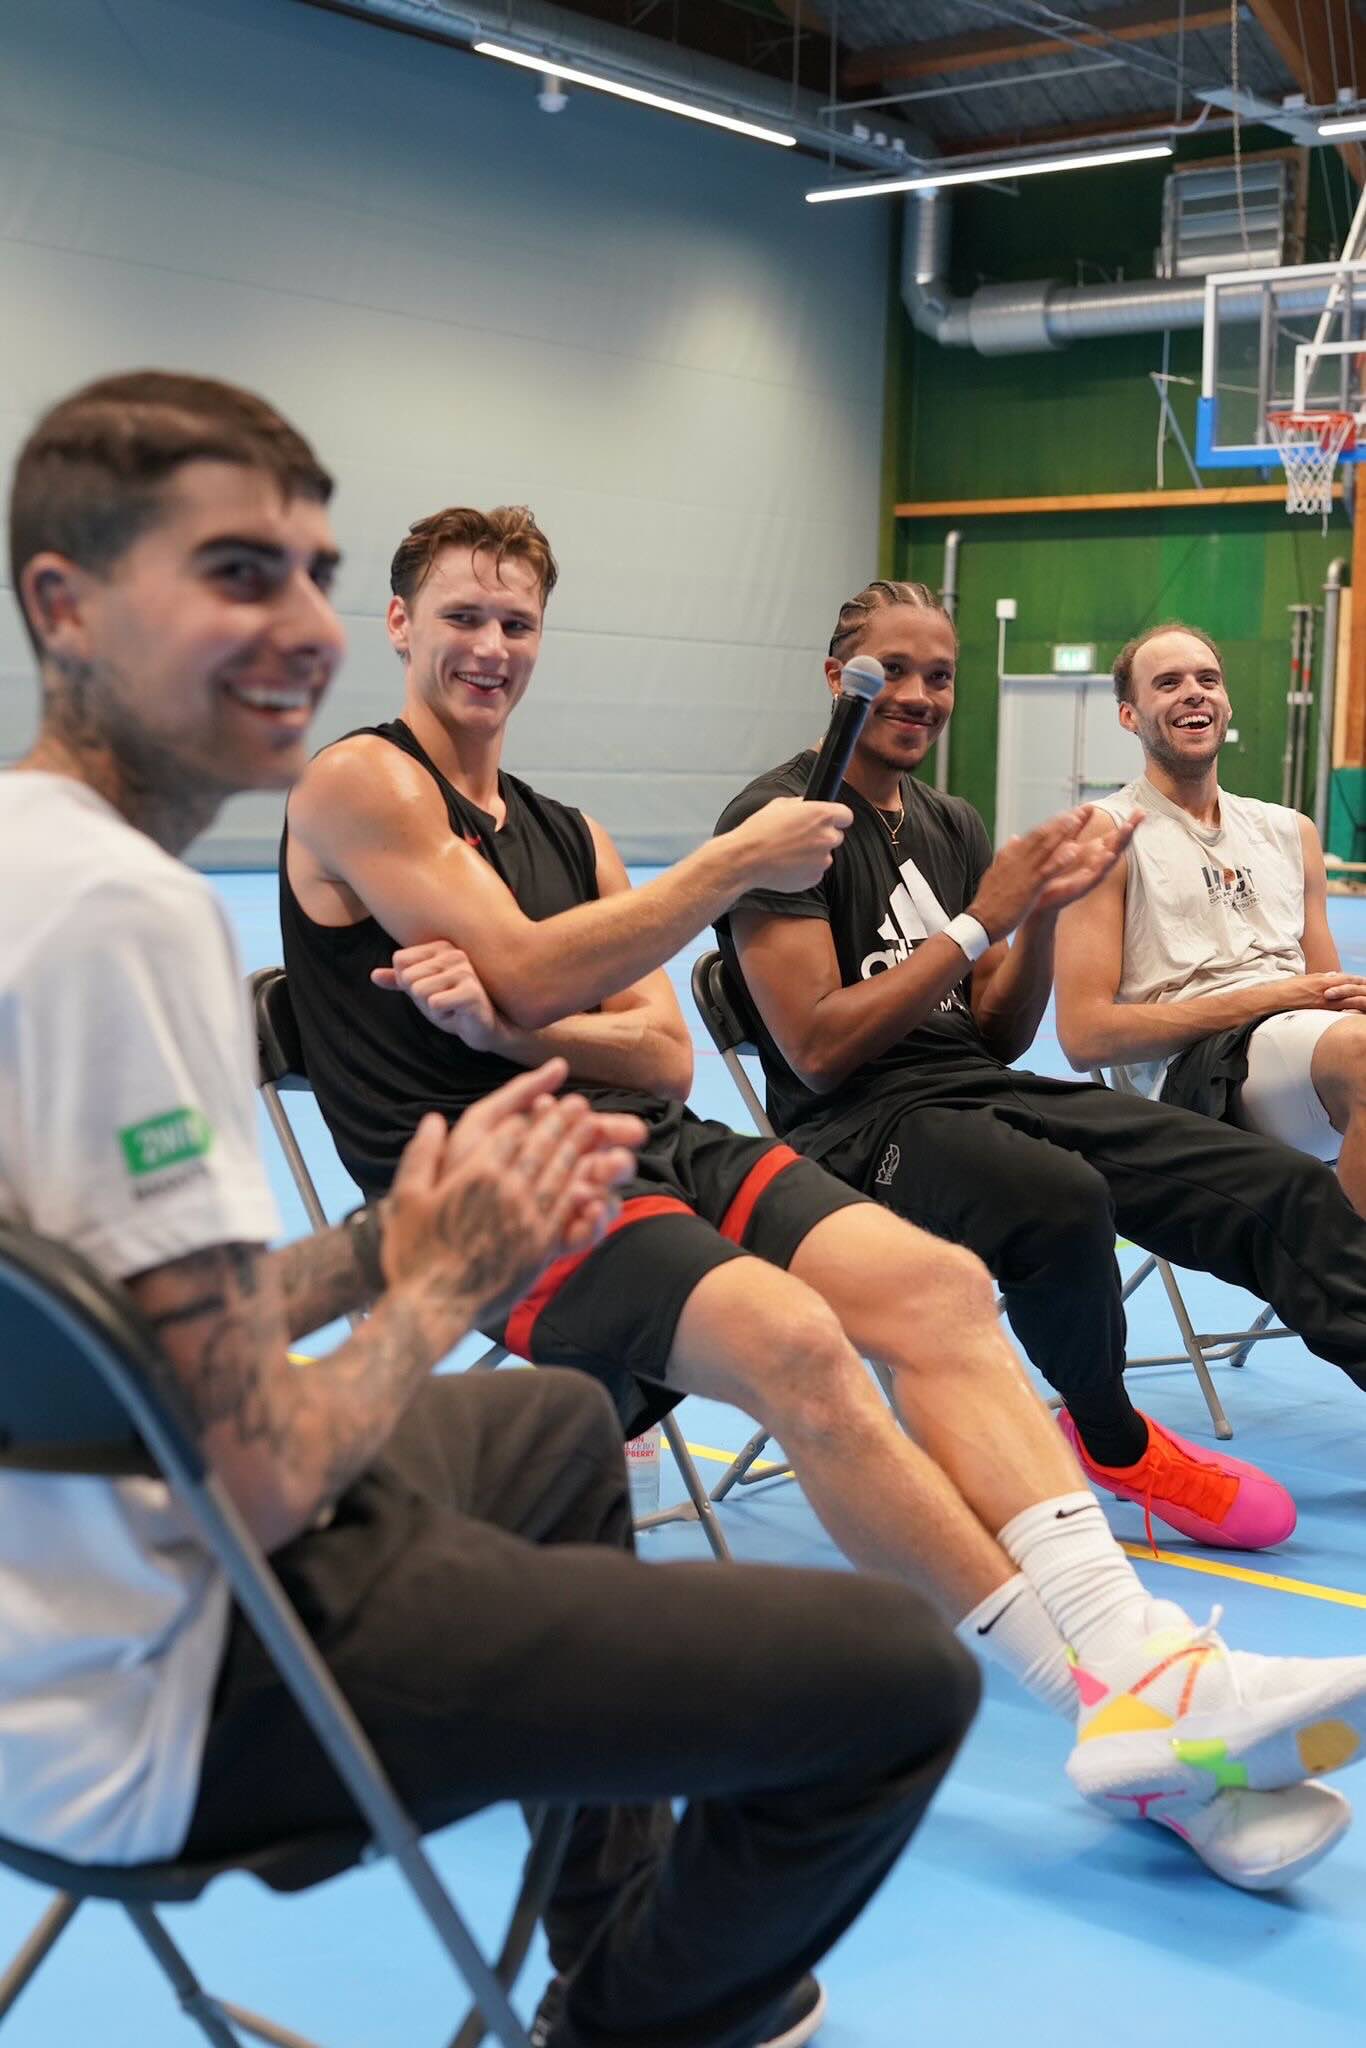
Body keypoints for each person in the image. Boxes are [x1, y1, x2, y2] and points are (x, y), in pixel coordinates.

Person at [0, 374, 989, 2048]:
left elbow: (129, 1334)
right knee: (901, 1682)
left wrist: (384, 1241)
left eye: (313, 573)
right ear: (65, 603)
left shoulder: (42, 863)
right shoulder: (125, 921)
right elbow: (255, 1470)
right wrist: (434, 1288)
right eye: (240, 573)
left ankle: (600, 1925)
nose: (305, 626)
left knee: (542, 1427)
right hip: (162, 1682)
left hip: (90, 1564)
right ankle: (632, 2023)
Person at [283, 505, 1366, 1892]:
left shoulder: (574, 833)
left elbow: (658, 1046)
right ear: (400, 626)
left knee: (937, 1288)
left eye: (516, 623)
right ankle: (1131, 1704)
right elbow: (549, 973)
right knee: (800, 1346)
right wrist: (701, 888)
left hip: (658, 1138)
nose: (491, 647)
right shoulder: (362, 787)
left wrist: (515, 1021)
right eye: (462, 618)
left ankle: (1146, 1685)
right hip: (495, 1187)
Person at [714, 578, 1366, 1538]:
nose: (918, 696)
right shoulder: (781, 818)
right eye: (891, 670)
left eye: (938, 676)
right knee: (1058, 1198)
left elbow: (997, 1034)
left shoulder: (948, 822)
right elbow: (816, 1051)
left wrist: (1048, 910)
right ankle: (1111, 1437)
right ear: (837, 676)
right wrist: (983, 920)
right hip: (857, 1127)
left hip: (976, 1089)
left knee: (1274, 1183)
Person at [1052, 621, 1366, 1216]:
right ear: (1128, 716)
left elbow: (1325, 998)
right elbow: (1084, 1037)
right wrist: (1276, 997)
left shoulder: (1289, 831)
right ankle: (1345, 1294)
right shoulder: (1105, 833)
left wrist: (1326, 997)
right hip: (1192, 1080)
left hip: (1304, 1059)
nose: (1193, 692)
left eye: (1207, 680)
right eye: (1167, 683)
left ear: (1226, 704)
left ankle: (1338, 1289)